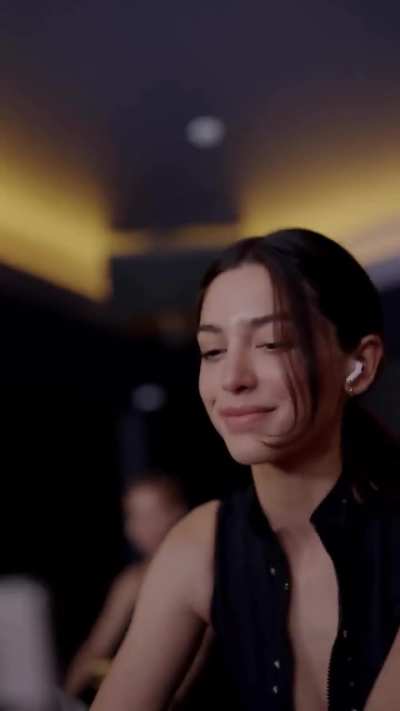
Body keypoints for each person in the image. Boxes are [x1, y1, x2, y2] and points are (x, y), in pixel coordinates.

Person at [90, 228, 400, 711]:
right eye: (212, 351)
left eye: (272, 343)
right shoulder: (201, 545)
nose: (232, 379)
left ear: (358, 364)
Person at [64, 472, 188, 699]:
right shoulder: (130, 582)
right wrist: (64, 700)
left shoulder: (196, 575)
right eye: (135, 516)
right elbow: (95, 649)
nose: (144, 526)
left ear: (179, 512)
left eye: (154, 513)